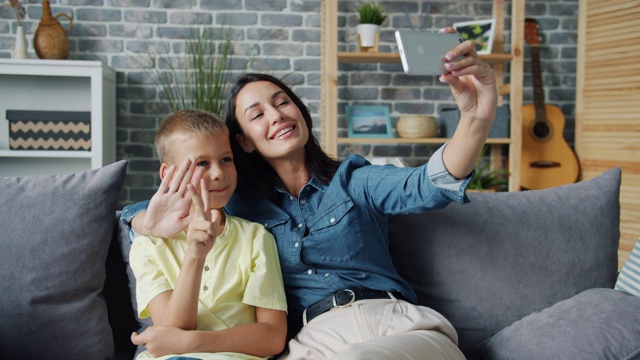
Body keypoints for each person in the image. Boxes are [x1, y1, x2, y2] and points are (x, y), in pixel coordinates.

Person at [123, 27, 497, 359]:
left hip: (396, 326)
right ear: (244, 143)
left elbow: (426, 185)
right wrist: (143, 221)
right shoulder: (241, 205)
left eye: (282, 101)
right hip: (315, 340)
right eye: (257, 115)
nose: (276, 115)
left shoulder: (354, 180)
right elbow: (148, 212)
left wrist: (476, 118)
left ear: (300, 111)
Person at [128, 109, 288, 360]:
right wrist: (195, 255)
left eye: (226, 159)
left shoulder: (255, 238)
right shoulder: (148, 245)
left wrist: (193, 343)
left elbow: (273, 337)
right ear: (167, 174)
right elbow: (171, 332)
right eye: (202, 163)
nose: (218, 173)